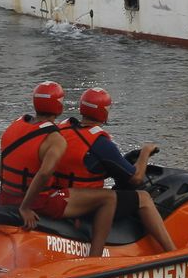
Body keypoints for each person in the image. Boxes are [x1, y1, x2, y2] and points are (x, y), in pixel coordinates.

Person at [17, 88, 176, 258]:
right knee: (143, 198)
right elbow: (136, 178)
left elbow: (84, 165)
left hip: (59, 195)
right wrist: (145, 152)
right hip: (83, 203)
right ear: (105, 113)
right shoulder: (100, 142)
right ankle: (172, 253)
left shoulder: (61, 130)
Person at [7, 85, 119, 258]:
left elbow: (1, 173)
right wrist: (25, 207)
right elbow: (44, 174)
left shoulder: (15, 127)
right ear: (59, 107)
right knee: (109, 198)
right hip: (37, 203)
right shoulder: (55, 138)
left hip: (6, 198)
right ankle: (95, 260)